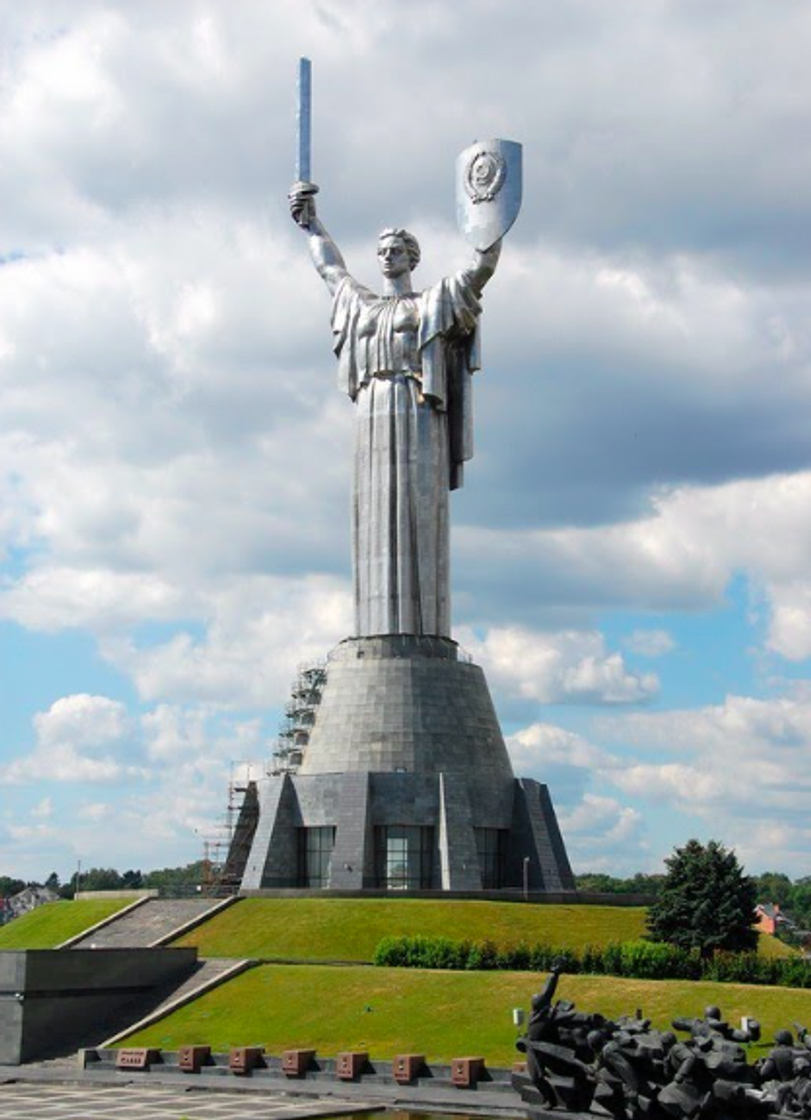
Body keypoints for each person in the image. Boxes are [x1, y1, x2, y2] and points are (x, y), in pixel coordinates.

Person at [289, 181, 501, 638]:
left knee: (418, 514)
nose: (386, 256)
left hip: (419, 409)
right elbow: (329, 267)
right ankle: (374, 631)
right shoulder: (360, 306)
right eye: (382, 250)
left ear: (412, 257)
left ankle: (421, 633)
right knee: (372, 515)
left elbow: (480, 270)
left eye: (396, 250)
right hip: (371, 411)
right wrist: (311, 223)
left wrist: (490, 217)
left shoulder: (432, 303)